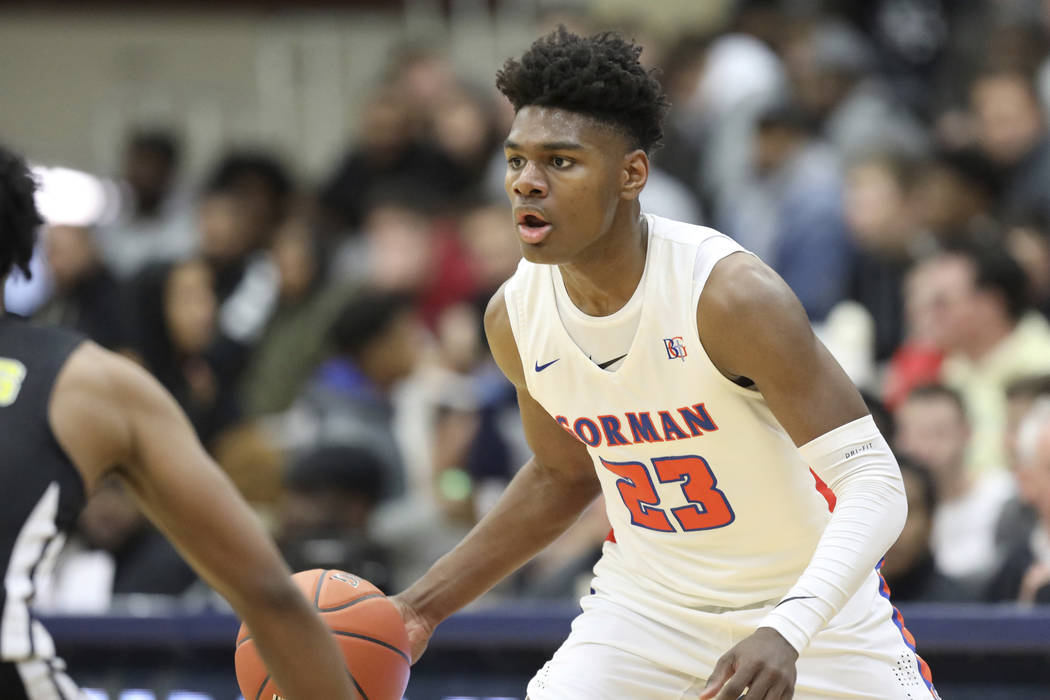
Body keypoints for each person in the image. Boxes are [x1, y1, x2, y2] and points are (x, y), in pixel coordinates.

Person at [392, 29, 937, 700]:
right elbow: (561, 477)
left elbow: (877, 483)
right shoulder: (515, 317)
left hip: (811, 614)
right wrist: (419, 608)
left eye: (560, 163)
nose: (527, 183)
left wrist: (789, 627)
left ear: (632, 175)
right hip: (644, 616)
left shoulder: (730, 296)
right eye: (516, 162)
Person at [0, 145, 356, 699]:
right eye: (185, 298)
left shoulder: (193, 391)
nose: (202, 311)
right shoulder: (93, 383)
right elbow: (269, 596)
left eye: (205, 296)